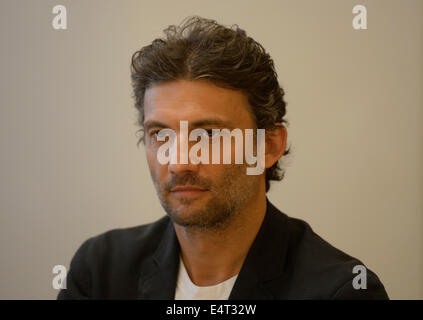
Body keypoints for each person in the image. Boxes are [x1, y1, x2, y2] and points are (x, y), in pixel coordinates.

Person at [57, 16, 388, 300]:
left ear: (269, 145)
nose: (180, 162)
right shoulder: (100, 272)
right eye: (161, 134)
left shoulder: (341, 291)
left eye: (210, 135)